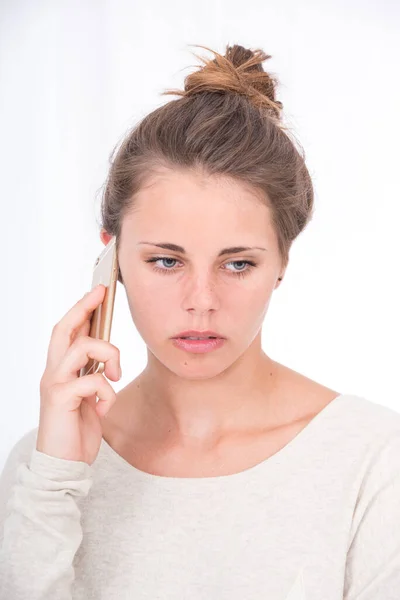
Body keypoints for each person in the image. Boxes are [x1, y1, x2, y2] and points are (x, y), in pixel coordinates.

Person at [0, 43, 399, 600]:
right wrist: (53, 482)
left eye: (238, 263)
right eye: (166, 260)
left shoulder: (375, 460)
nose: (201, 300)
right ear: (110, 260)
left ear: (282, 261)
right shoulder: (43, 469)